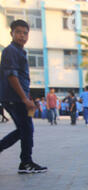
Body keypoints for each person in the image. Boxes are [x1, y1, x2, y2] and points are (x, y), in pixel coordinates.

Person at [0, 19, 47, 174]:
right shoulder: (11, 51)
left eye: (25, 33)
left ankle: (25, 162)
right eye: (18, 32)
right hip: (14, 98)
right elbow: (12, 77)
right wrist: (24, 98)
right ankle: (26, 162)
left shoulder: (20, 51)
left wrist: (28, 97)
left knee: (24, 129)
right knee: (26, 129)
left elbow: (21, 78)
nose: (22, 36)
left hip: (18, 97)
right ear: (11, 33)